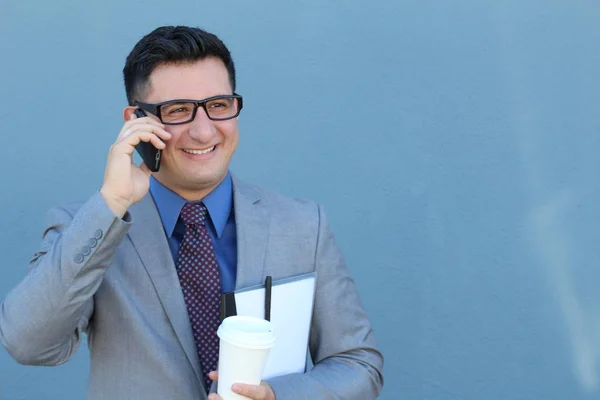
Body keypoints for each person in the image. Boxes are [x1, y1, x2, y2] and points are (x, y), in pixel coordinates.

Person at [0, 26, 383, 400]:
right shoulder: (88, 227)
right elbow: (27, 343)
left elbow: (358, 365)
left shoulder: (303, 225)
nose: (203, 132)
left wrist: (277, 396)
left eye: (218, 105)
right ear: (137, 121)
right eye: (178, 110)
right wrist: (112, 203)